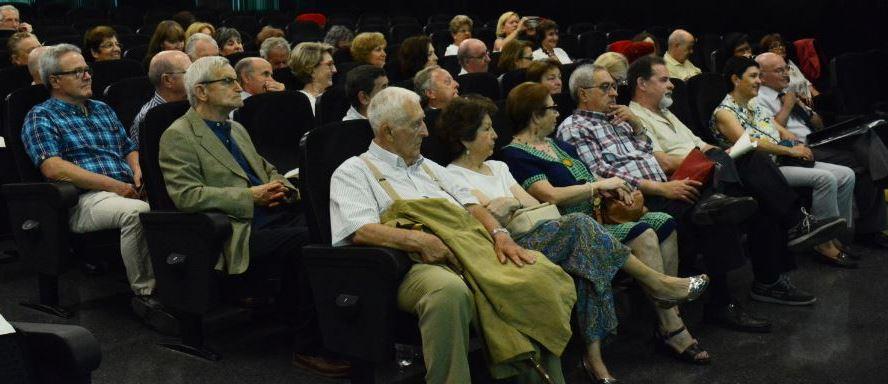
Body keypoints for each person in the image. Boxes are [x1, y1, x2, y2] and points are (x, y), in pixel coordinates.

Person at [439, 95, 710, 381]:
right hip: (513, 246)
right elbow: (489, 216)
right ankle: (658, 283)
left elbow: (531, 206)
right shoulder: (453, 175)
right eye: (485, 129)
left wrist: (509, 204)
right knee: (581, 226)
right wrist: (510, 205)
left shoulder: (499, 168)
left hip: (548, 231)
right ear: (465, 139)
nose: (494, 135)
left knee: (587, 259)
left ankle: (594, 359)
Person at [329, 86, 574, 384]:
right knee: (449, 291)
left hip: (466, 249)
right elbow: (360, 230)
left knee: (535, 274)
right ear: (388, 132)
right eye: (416, 124)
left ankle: (541, 377)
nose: (425, 132)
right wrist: (421, 240)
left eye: (423, 121)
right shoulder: (354, 171)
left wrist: (500, 234)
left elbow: (471, 206)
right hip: (411, 265)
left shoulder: (430, 169)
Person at [158, 55, 350, 378]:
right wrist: (250, 197)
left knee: (332, 224)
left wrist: (283, 188)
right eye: (229, 81)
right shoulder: (178, 136)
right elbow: (187, 196)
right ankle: (308, 346)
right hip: (236, 230)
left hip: (272, 215)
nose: (239, 87)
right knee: (310, 240)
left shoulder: (235, 128)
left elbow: (266, 169)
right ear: (202, 92)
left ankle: (332, 326)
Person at [628, 55, 847, 327]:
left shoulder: (667, 113)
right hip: (683, 183)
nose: (671, 86)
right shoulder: (634, 117)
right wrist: (709, 158)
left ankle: (770, 280)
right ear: (642, 84)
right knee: (746, 166)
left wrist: (715, 156)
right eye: (663, 80)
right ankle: (795, 224)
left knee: (758, 197)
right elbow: (661, 161)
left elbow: (703, 145)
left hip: (708, 173)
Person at [21, 44, 167, 330]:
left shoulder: (101, 108)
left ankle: (189, 283)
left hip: (124, 188)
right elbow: (54, 168)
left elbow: (129, 147)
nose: (87, 76)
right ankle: (147, 294)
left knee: (176, 200)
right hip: (82, 199)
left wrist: (138, 171)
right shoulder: (41, 116)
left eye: (87, 70)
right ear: (55, 81)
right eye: (77, 72)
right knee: (137, 213)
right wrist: (114, 186)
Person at [711, 56, 856, 268]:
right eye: (753, 76)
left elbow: (778, 129)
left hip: (783, 159)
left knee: (846, 174)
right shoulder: (724, 112)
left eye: (759, 76)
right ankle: (824, 245)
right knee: (825, 179)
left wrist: (797, 143)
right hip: (763, 170)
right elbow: (750, 142)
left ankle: (839, 239)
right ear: (735, 79)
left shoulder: (753, 104)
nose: (759, 81)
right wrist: (791, 151)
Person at [756, 52, 888, 249]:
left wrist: (805, 109)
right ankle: (869, 226)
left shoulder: (787, 92)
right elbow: (773, 133)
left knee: (865, 136)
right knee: (865, 163)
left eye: (786, 68)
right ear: (762, 75)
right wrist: (787, 107)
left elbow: (818, 124)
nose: (786, 74)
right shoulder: (759, 98)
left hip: (816, 138)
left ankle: (871, 224)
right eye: (779, 71)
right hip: (798, 148)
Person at [130, 50, 192, 145]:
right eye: (189, 72)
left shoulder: (196, 104)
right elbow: (144, 158)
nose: (195, 76)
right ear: (167, 80)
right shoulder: (146, 119)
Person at [759, 33, 820, 102]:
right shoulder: (770, 72)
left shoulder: (789, 63)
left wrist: (819, 98)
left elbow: (807, 84)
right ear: (766, 52)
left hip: (811, 101)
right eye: (774, 46)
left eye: (781, 45)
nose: (781, 48)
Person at [290, 42, 336, 115]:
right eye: (329, 65)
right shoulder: (297, 103)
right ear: (311, 69)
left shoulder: (337, 99)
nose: (334, 70)